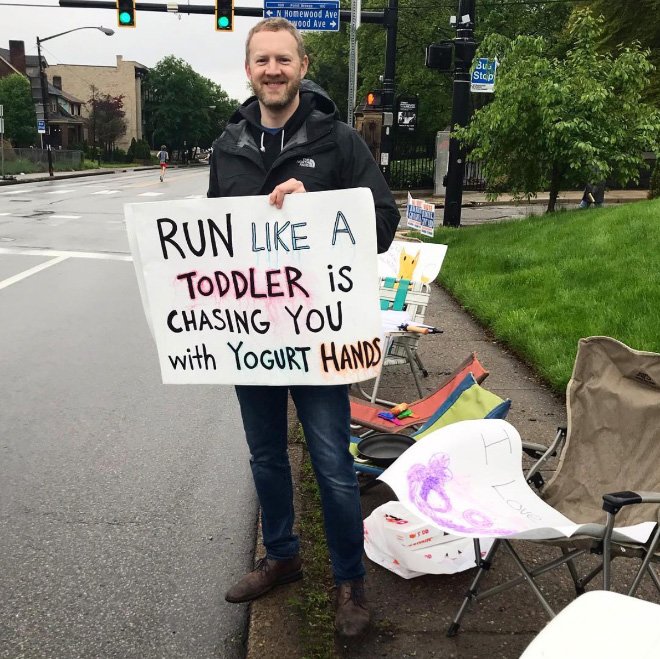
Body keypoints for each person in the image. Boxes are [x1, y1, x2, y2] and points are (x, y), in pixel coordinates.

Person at [207, 17, 400, 639]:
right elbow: (212, 246)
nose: (272, 70)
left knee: (332, 466)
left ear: (302, 64)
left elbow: (382, 223)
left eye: (283, 60)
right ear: (248, 69)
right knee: (266, 458)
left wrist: (316, 211)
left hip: (320, 337)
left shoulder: (340, 142)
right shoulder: (227, 148)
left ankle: (350, 582)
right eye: (262, 60)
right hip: (253, 339)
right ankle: (283, 555)